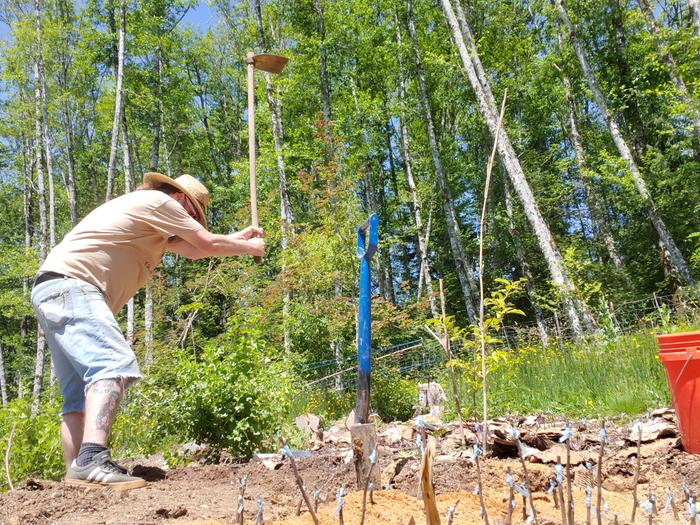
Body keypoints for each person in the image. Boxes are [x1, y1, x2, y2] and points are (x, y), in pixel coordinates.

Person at [30, 172, 264, 489]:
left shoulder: (150, 222)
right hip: (76, 286)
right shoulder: (159, 201)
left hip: (53, 289)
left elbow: (195, 249)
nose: (192, 220)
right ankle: (92, 458)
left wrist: (241, 237)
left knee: (76, 397)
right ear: (181, 199)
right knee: (111, 365)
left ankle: (76, 471)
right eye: (194, 214)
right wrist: (249, 249)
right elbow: (205, 242)